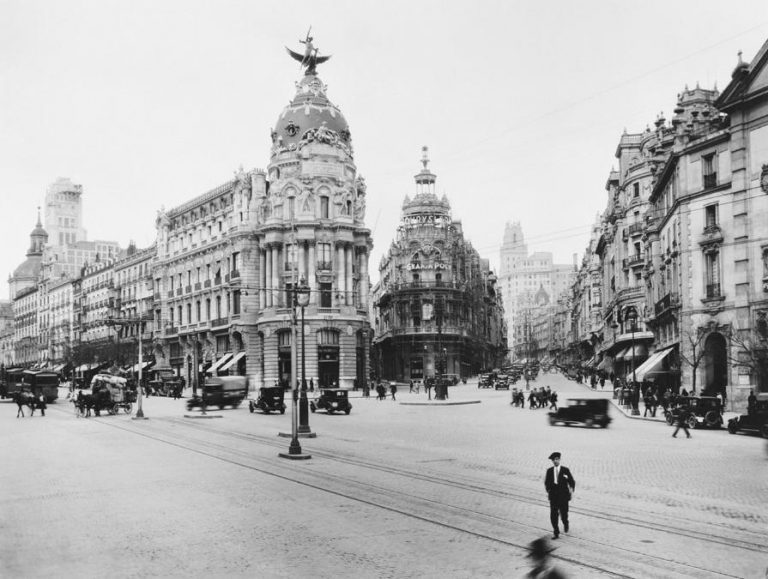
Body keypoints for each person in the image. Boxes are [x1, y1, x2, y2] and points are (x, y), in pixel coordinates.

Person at [544, 452, 575, 540]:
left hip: (563, 496)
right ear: (552, 461)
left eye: (557, 459)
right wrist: (549, 490)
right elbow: (546, 483)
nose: (556, 461)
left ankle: (565, 523)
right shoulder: (549, 471)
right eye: (554, 460)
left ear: (559, 460)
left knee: (564, 514)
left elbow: (571, 481)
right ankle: (556, 532)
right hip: (553, 496)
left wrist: (571, 489)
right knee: (553, 515)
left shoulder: (565, 470)